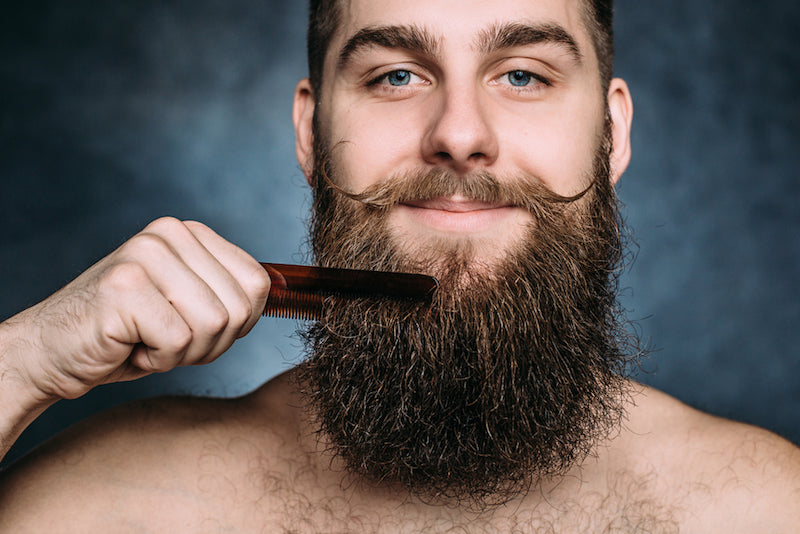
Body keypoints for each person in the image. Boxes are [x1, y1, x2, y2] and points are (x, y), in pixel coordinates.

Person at [1, 0, 799, 531]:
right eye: (396, 76)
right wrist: (24, 360)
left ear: (612, 134)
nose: (459, 131)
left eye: (523, 74)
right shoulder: (112, 506)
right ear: (312, 137)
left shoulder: (765, 510)